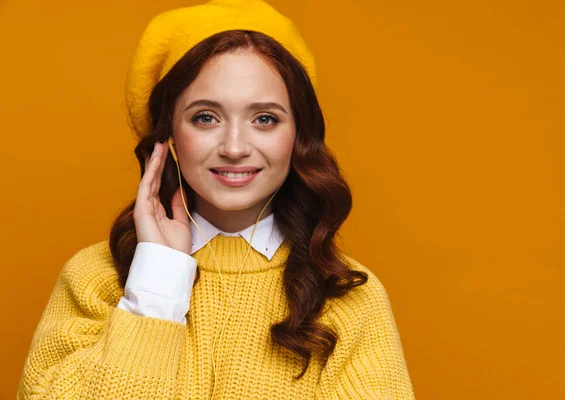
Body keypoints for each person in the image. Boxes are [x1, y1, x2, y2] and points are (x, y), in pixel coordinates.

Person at [17, 0, 416, 398]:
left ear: (298, 134)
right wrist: (158, 280)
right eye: (206, 117)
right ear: (168, 133)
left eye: (265, 118)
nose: (234, 147)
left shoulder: (346, 296)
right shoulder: (95, 279)